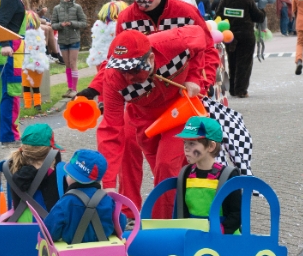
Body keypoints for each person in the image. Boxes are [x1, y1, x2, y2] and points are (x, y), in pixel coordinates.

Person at [76, 26, 219, 219]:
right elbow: (111, 131)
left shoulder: (174, 42)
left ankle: (164, 224)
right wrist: (108, 184)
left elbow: (201, 37)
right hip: (145, 121)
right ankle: (179, 214)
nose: (128, 77)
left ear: (150, 58)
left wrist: (195, 76)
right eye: (123, 70)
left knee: (166, 165)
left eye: (134, 69)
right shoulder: (113, 78)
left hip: (179, 112)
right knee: (162, 174)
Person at [44, 149, 138, 256]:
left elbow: (50, 229)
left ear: (73, 178)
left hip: (75, 251)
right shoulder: (107, 200)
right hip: (104, 249)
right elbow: (120, 223)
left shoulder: (65, 202)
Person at [173, 116, 242, 256]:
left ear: (210, 146)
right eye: (185, 144)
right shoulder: (185, 173)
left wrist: (219, 233)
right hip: (195, 232)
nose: (186, 149)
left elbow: (236, 213)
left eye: (192, 144)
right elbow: (181, 210)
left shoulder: (228, 175)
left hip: (222, 233)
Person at [0, 0, 28, 144]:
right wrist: (5, 44)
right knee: (11, 92)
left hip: (9, 48)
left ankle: (9, 134)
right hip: (8, 49)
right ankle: (10, 135)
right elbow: (0, 22)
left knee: (8, 91)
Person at [215, 0, 266, 98]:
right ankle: (241, 90)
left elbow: (217, 18)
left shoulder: (225, 1)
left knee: (232, 62)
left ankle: (232, 88)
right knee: (244, 63)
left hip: (230, 37)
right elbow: (258, 17)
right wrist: (262, 10)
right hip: (246, 36)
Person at [5, 124, 64, 222]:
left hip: (22, 225)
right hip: (49, 227)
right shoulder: (56, 176)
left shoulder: (14, 171)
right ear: (51, 151)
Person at [51, 0, 88, 97]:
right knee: (67, 65)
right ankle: (70, 88)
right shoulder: (57, 8)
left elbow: (84, 23)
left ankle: (74, 89)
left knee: (73, 63)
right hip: (62, 40)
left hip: (74, 39)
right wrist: (60, 25)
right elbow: (53, 25)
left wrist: (72, 23)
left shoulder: (77, 7)